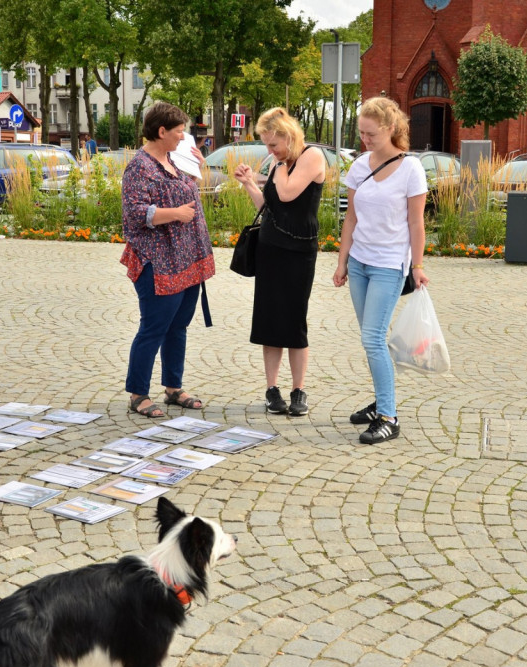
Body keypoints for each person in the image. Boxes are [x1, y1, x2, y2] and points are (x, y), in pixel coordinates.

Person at [332, 97, 429, 444]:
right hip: (359, 262)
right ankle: (381, 402)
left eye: (371, 133)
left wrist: (417, 265)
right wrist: (342, 261)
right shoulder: (359, 166)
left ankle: (389, 416)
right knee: (371, 339)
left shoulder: (411, 168)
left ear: (390, 129)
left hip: (390, 264)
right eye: (361, 133)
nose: (365, 140)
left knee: (372, 339)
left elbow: (416, 224)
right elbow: (351, 218)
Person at [121, 102, 215, 417]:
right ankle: (138, 394)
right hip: (157, 262)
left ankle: (173, 388)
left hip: (185, 260)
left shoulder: (176, 159)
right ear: (161, 131)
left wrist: (200, 169)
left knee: (178, 326)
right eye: (178, 132)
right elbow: (134, 213)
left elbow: (190, 190)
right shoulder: (140, 166)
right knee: (154, 326)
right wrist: (175, 214)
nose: (182, 137)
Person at [233, 108, 326, 416]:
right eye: (266, 145)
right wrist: (249, 184)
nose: (269, 151)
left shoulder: (310, 157)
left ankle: (299, 389)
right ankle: (272, 388)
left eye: (273, 144)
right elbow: (270, 207)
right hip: (271, 247)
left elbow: (286, 194)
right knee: (270, 319)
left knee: (295, 320)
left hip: (299, 251)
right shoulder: (279, 162)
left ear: (288, 136)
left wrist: (281, 164)